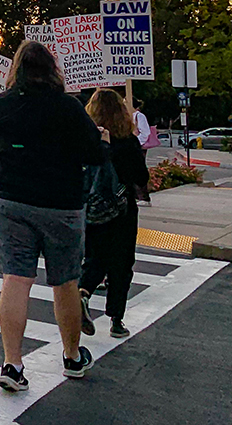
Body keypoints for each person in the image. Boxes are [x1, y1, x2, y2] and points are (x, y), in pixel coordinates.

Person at [0, 40, 104, 393]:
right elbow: (94, 154)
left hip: (11, 201)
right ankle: (71, 355)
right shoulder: (67, 107)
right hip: (61, 204)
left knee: (16, 279)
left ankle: (12, 363)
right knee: (64, 281)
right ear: (51, 68)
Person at [79, 89, 150, 340]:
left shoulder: (85, 140)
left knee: (95, 257)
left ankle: (84, 292)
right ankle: (116, 320)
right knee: (121, 263)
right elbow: (141, 178)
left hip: (92, 208)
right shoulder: (127, 141)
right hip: (122, 209)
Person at [132, 98, 152, 207]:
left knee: (138, 168)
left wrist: (136, 143)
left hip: (139, 146)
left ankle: (144, 197)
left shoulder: (139, 116)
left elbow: (145, 132)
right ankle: (137, 196)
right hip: (134, 146)